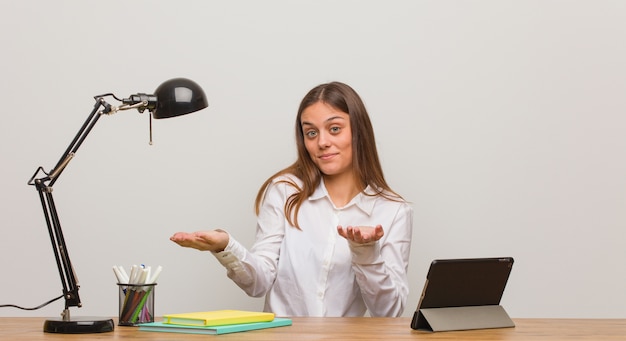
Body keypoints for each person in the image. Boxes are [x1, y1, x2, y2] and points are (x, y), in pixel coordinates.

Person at [170, 81, 413, 317]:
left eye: (335, 129)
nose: (322, 142)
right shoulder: (285, 191)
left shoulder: (393, 211)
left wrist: (366, 252)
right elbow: (259, 283)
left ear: (359, 131)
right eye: (311, 132)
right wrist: (225, 247)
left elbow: (388, 311)